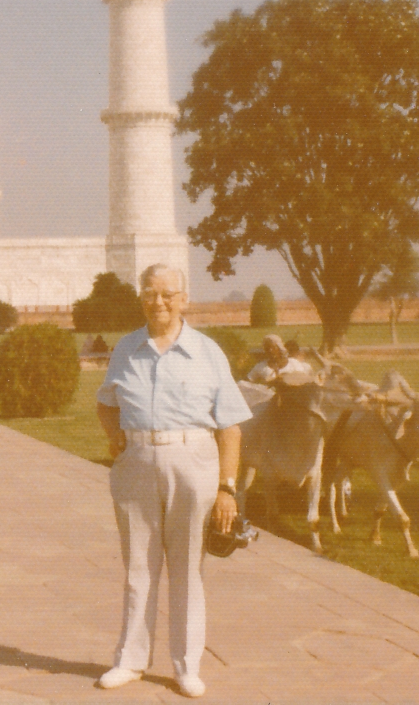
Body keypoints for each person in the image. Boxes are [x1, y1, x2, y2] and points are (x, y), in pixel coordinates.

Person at [95, 263, 251, 699]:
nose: (158, 301)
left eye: (168, 294)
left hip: (193, 464)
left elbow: (231, 427)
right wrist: (114, 439)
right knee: (138, 569)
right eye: (150, 293)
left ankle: (186, 666)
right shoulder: (127, 348)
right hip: (137, 464)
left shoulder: (207, 352)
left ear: (185, 299)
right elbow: (106, 403)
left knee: (187, 570)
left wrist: (227, 487)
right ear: (141, 297)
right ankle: (130, 660)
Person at [246, 333, 315, 385]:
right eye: (267, 348)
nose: (270, 350)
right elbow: (246, 382)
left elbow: (302, 381)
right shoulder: (261, 366)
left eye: (273, 348)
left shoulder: (293, 363)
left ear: (279, 348)